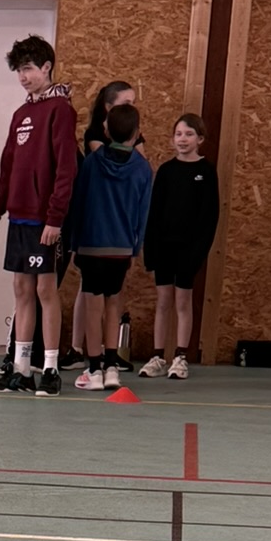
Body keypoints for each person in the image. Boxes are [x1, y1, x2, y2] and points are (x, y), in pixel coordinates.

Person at [0, 35, 77, 397]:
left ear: (46, 67)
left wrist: (55, 218)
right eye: (18, 71)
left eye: (28, 69)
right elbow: (8, 167)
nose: (22, 77)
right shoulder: (21, 115)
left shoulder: (60, 110)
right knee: (21, 290)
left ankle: (50, 368)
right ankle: (21, 369)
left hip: (44, 219)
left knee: (44, 289)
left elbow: (66, 169)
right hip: (19, 218)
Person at [66, 101, 153, 390]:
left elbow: (78, 204)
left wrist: (75, 244)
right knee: (114, 304)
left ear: (105, 130)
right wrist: (135, 248)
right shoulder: (142, 168)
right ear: (136, 133)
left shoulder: (92, 163)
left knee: (93, 308)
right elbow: (143, 213)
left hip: (92, 246)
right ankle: (112, 367)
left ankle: (94, 370)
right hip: (121, 248)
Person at [138, 112, 220, 380]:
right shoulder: (166, 171)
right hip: (164, 247)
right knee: (163, 300)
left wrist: (198, 253)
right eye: (178, 134)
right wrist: (151, 250)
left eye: (189, 134)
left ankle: (181, 356)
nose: (183, 139)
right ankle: (158, 356)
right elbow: (154, 213)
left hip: (189, 251)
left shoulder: (206, 172)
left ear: (200, 139)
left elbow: (209, 217)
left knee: (183, 301)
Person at [68, 80, 136, 363]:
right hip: (96, 235)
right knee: (90, 296)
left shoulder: (135, 147)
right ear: (108, 108)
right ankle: (82, 352)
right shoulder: (95, 138)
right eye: (126, 104)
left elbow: (135, 173)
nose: (132, 108)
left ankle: (107, 358)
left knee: (111, 299)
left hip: (117, 239)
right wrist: (76, 241)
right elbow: (104, 170)